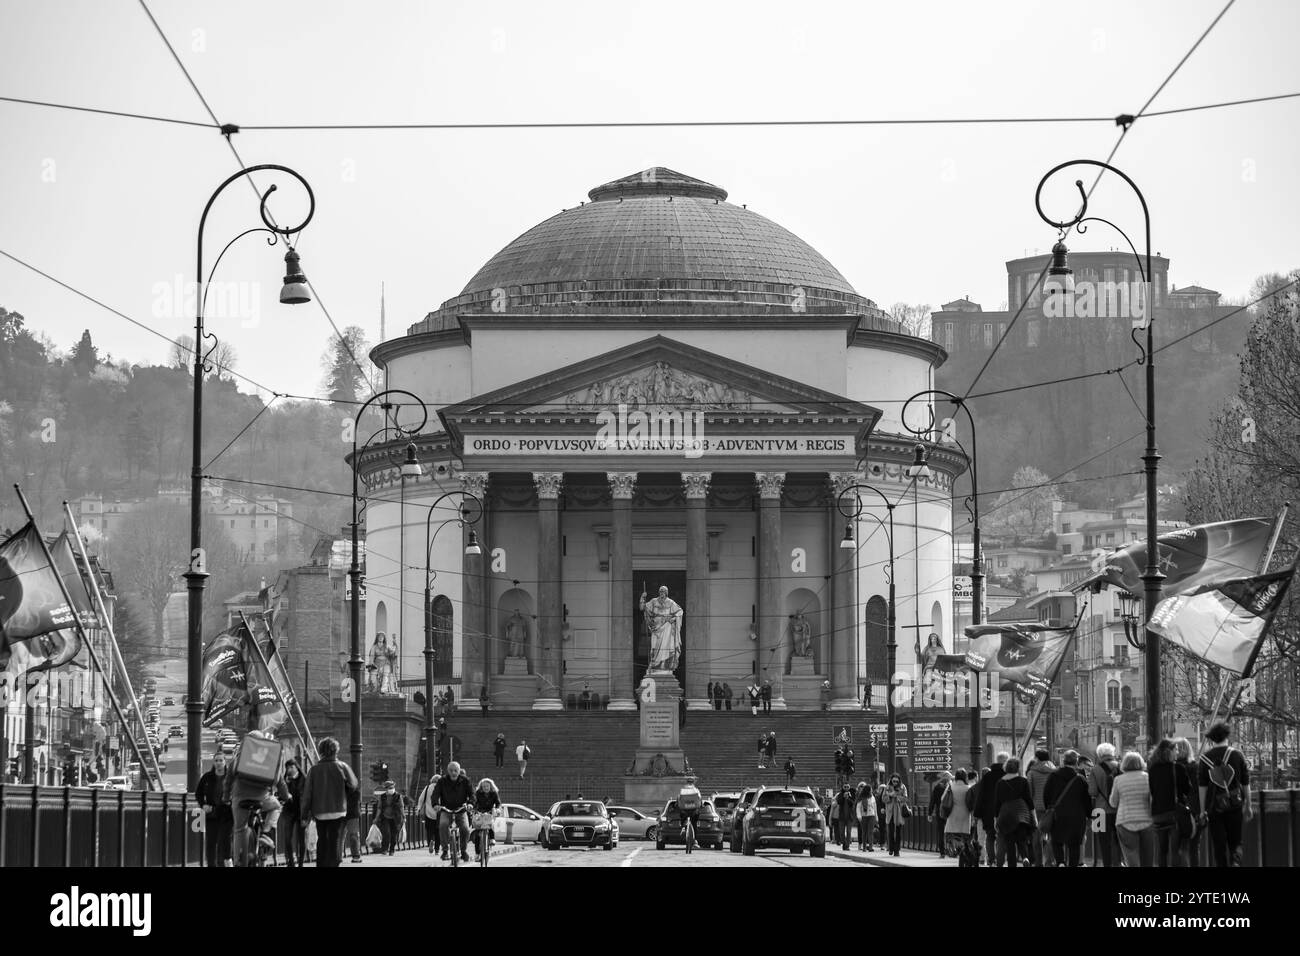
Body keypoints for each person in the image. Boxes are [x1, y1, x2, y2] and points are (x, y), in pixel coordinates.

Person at [225, 730, 286, 866]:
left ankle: (236, 861)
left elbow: (228, 779)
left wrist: (225, 797)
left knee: (239, 829)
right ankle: (265, 831)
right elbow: (279, 781)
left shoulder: (239, 757)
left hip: (239, 798)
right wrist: (286, 796)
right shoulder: (268, 757)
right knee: (276, 806)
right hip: (262, 798)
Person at [1197, 721, 1252, 868]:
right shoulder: (1237, 755)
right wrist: (1249, 805)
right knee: (1236, 841)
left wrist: (1202, 811)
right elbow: (1246, 783)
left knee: (1219, 844)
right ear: (1227, 736)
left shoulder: (1204, 759)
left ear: (1212, 739)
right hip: (1235, 805)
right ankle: (1236, 862)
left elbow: (1202, 787)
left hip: (1214, 808)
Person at [300, 736, 359, 868]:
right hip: (338, 809)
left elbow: (307, 795)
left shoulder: (314, 770)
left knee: (322, 839)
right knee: (334, 838)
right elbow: (354, 785)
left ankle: (321, 864)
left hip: (319, 811)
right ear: (335, 751)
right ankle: (334, 861)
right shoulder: (342, 766)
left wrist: (304, 815)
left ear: (321, 751)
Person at [1042, 750, 1091, 867]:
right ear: (1076, 762)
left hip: (1058, 815)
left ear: (1064, 761)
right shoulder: (1080, 779)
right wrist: (1089, 815)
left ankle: (1060, 862)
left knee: (1057, 841)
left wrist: (1049, 808)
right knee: (1074, 844)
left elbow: (1046, 795)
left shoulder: (1053, 776)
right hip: (1077, 817)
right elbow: (1087, 799)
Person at [1148, 737, 1192, 867]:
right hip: (1174, 814)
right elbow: (1188, 789)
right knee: (1176, 850)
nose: (1178, 753)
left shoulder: (1153, 769)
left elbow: (1152, 790)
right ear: (1170, 751)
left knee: (1162, 850)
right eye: (1176, 750)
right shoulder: (1178, 768)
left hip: (1158, 814)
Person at [1110, 751, 1155, 867]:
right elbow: (1152, 800)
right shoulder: (1148, 778)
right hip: (1146, 821)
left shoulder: (1118, 780)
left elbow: (1113, 803)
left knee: (1131, 856)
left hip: (1125, 821)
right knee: (1147, 857)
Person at [993, 756, 1034, 868]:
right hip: (1022, 814)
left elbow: (997, 803)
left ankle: (1012, 864)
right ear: (1018, 768)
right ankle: (1025, 857)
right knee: (1022, 840)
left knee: (1010, 843)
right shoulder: (1023, 781)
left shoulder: (1000, 783)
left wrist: (996, 819)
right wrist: (1033, 816)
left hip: (1006, 816)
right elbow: (1029, 800)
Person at [194, 751, 233, 867]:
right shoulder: (207, 777)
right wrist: (203, 805)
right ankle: (211, 864)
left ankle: (225, 863)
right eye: (216, 760)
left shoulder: (230, 777)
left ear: (225, 762)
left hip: (226, 814)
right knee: (211, 843)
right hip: (211, 814)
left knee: (224, 841)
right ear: (213, 763)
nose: (219, 763)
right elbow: (198, 793)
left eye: (221, 760)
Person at [432, 760, 474, 862]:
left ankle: (463, 851)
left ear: (459, 771)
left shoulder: (465, 781)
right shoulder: (442, 781)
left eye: (455, 770)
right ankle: (445, 851)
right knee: (443, 825)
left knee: (465, 829)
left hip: (461, 810)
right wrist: (435, 804)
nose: (453, 773)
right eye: (451, 770)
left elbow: (472, 794)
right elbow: (435, 794)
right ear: (448, 771)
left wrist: (470, 803)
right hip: (446, 809)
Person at [1088, 742, 1119, 867]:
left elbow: (1093, 792)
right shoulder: (1120, 766)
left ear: (1099, 755)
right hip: (1118, 810)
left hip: (1100, 811)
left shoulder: (1095, 769)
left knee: (1103, 841)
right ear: (1112, 753)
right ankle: (1118, 863)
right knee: (1118, 840)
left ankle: (1106, 864)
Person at [1173, 737, 1203, 867]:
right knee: (1194, 847)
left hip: (1177, 811)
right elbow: (1200, 790)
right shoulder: (1196, 767)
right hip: (1195, 811)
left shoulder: (1172, 768)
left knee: (1177, 847)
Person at [976, 752, 1009, 866]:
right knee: (1003, 836)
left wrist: (978, 812)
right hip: (1004, 811)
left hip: (988, 812)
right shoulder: (1007, 775)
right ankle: (1001, 860)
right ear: (1005, 761)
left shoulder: (987, 776)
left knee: (990, 836)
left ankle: (991, 859)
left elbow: (981, 795)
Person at [639, 585, 683, 671]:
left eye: (663, 591)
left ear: (666, 593)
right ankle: (655, 664)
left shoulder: (670, 602)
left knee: (665, 647)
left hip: (667, 627)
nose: (661, 593)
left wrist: (672, 618)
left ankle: (663, 665)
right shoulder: (654, 601)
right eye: (660, 591)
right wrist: (642, 598)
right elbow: (642, 608)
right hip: (656, 628)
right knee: (655, 647)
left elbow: (680, 612)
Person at [1026, 748, 1057, 867]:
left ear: (1037, 758)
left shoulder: (1032, 772)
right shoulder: (1054, 771)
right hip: (1051, 807)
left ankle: (1038, 862)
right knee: (1052, 835)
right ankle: (1050, 861)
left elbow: (1029, 792)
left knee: (1036, 835)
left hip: (1037, 807)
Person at [281, 758, 307, 867]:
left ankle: (300, 863)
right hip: (289, 812)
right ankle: (291, 863)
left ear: (297, 767)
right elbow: (282, 794)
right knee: (287, 838)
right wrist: (286, 784)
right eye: (287, 768)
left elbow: (306, 797)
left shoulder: (304, 779)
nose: (289, 770)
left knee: (301, 839)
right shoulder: (285, 780)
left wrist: (306, 816)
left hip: (301, 812)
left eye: (292, 767)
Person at [943, 768, 973, 859]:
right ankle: (963, 852)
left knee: (953, 835)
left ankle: (954, 850)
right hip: (965, 815)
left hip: (952, 814)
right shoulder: (968, 788)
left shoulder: (951, 787)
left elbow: (943, 798)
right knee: (964, 836)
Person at [471, 777, 502, 858]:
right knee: (478, 834)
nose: (485, 788)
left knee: (490, 824)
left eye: (487, 786)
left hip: (489, 811)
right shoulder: (478, 793)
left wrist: (497, 809)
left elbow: (498, 803)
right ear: (481, 787)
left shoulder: (494, 793)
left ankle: (492, 838)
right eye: (484, 786)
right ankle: (477, 854)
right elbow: (474, 802)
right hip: (480, 812)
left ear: (490, 786)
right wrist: (473, 809)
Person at [376, 779, 406, 856]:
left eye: (392, 787)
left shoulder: (398, 796)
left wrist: (404, 816)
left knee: (394, 834)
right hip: (385, 817)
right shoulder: (382, 797)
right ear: (386, 788)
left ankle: (392, 849)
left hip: (395, 817)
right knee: (386, 833)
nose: (391, 789)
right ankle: (385, 849)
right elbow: (379, 807)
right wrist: (376, 818)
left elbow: (401, 807)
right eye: (389, 788)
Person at [881, 773, 908, 856]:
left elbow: (905, 798)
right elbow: (883, 799)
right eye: (894, 781)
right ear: (891, 780)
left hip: (899, 812)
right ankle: (891, 848)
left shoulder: (903, 787)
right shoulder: (887, 787)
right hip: (890, 812)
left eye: (897, 781)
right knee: (891, 832)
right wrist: (890, 795)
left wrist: (898, 797)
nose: (895, 783)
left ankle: (897, 851)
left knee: (898, 832)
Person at [416, 773, 443, 856]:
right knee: (438, 832)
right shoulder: (442, 788)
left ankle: (431, 840)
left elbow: (421, 799)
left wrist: (419, 808)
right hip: (439, 813)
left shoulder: (427, 788)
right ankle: (437, 850)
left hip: (429, 813)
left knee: (429, 830)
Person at [929, 772, 953, 858]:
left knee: (941, 832)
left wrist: (930, 813)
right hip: (950, 812)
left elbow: (933, 801)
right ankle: (951, 850)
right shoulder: (951, 787)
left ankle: (942, 852)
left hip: (940, 812)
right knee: (950, 832)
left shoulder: (937, 787)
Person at [677, 776, 703, 843]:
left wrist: (677, 805)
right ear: (693, 782)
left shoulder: (682, 789)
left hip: (684, 810)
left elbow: (678, 798)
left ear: (687, 782)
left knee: (683, 818)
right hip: (694, 810)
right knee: (694, 824)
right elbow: (700, 799)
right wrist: (701, 805)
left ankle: (683, 827)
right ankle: (695, 840)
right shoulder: (696, 790)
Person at [857, 783, 878, 852]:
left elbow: (875, 808)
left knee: (870, 832)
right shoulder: (861, 797)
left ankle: (871, 847)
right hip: (864, 816)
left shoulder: (873, 797)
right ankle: (864, 847)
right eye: (870, 790)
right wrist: (859, 816)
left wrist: (876, 817)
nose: (871, 791)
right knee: (864, 832)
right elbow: (858, 807)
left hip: (871, 815)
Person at [835, 783, 856, 851]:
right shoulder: (840, 794)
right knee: (841, 832)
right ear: (843, 787)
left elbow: (853, 803)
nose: (846, 788)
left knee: (848, 831)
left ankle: (847, 845)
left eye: (847, 787)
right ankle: (843, 843)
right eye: (845, 787)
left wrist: (848, 798)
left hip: (849, 816)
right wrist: (843, 797)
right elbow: (838, 802)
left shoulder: (852, 794)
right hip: (842, 817)